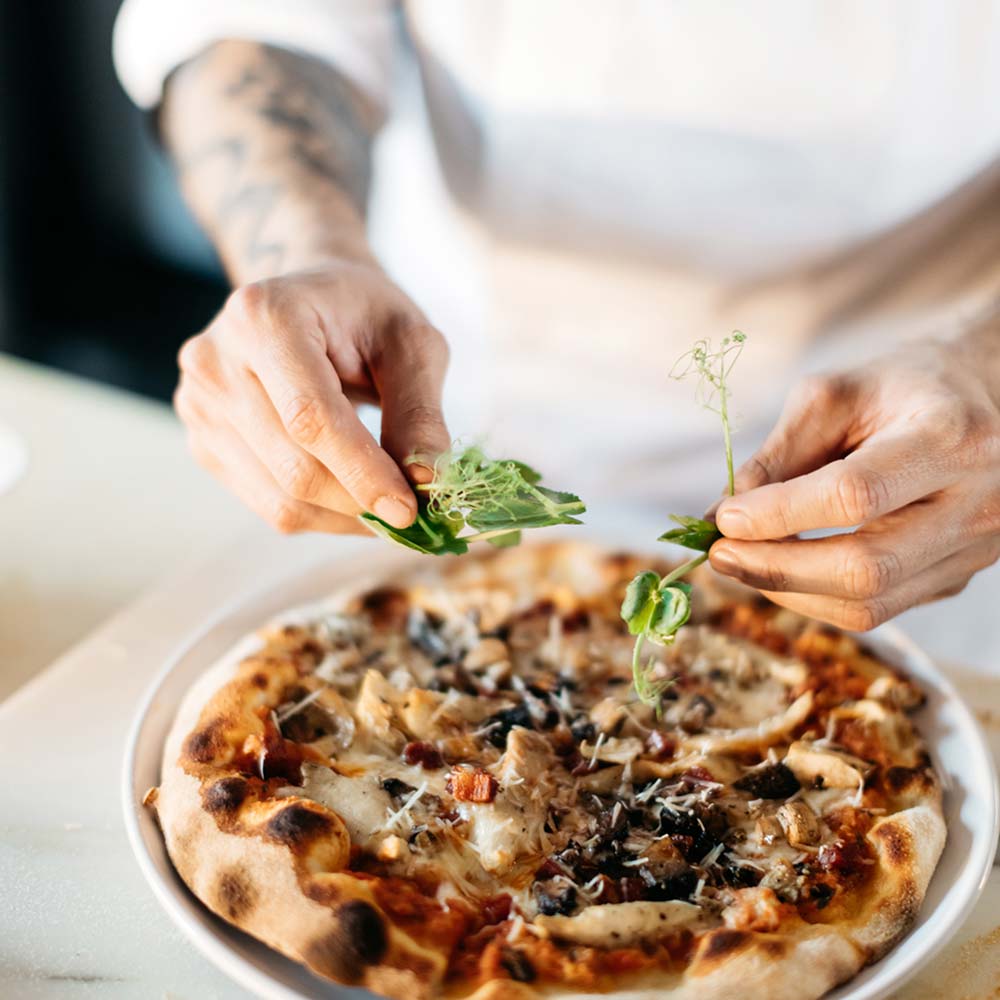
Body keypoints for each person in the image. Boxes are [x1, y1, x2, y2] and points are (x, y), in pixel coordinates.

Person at [113, 0, 1000, 632]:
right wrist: (300, 255)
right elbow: (259, 24)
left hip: (929, 495)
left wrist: (986, 369)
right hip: (418, 429)